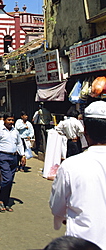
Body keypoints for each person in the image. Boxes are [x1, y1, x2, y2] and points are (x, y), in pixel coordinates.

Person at [49, 100, 106, 250]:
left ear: (85, 130)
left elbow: (57, 206)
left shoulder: (71, 165)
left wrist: (64, 217)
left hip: (83, 243)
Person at [0, 111, 26, 212]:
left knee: (10, 181)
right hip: (3, 156)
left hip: (14, 157)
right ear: (4, 120)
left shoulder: (15, 131)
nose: (11, 122)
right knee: (7, 179)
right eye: (9, 120)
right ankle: (0, 200)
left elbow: (19, 143)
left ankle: (4, 201)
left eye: (12, 120)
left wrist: (22, 155)